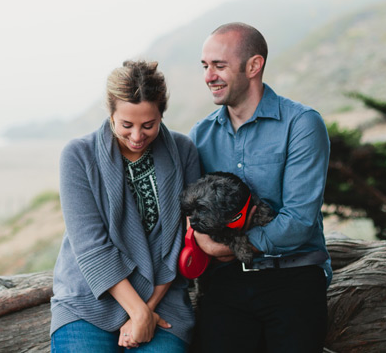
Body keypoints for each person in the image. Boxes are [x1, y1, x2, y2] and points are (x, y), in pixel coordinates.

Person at [188, 22, 331, 353]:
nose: (209, 75)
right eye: (205, 66)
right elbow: (193, 213)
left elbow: (298, 220)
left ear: (254, 66)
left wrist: (229, 246)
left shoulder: (302, 124)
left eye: (219, 66)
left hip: (293, 277)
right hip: (224, 284)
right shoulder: (200, 135)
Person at [50, 60, 201, 352]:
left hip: (163, 297)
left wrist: (147, 310)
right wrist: (140, 313)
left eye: (149, 125)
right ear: (110, 114)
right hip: (89, 297)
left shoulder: (184, 152)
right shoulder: (78, 156)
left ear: (161, 114)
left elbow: (185, 239)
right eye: (126, 125)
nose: (136, 136)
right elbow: (91, 246)